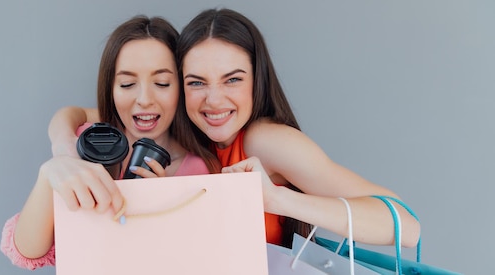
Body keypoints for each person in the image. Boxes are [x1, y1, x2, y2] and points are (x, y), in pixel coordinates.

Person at [48, 8, 421, 249]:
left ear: (257, 80)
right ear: (177, 87)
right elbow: (81, 112)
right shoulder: (178, 130)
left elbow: (405, 223)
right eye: (196, 82)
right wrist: (63, 148)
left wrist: (278, 200)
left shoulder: (265, 141)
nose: (213, 100)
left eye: (232, 80)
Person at [0, 15, 220, 270]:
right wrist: (52, 170)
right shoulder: (87, 144)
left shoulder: (201, 169)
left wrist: (157, 208)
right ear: (111, 89)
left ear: (181, 87)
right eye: (127, 84)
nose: (144, 99)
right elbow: (26, 251)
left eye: (161, 83)